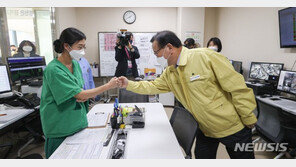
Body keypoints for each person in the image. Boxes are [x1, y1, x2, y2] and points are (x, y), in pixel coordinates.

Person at [117, 30, 257, 159]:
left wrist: (248, 117)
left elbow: (237, 87)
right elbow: (152, 86)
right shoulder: (170, 71)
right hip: (205, 128)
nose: (156, 57)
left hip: (231, 126)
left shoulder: (205, 56)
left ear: (169, 48)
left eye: (156, 53)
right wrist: (128, 84)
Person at [40, 28, 118, 158]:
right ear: (66, 46)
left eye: (84, 47)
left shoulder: (75, 65)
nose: (83, 51)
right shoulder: (53, 70)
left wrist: (80, 95)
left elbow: (79, 91)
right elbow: (79, 94)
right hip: (60, 125)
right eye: (79, 47)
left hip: (77, 122)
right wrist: (108, 86)